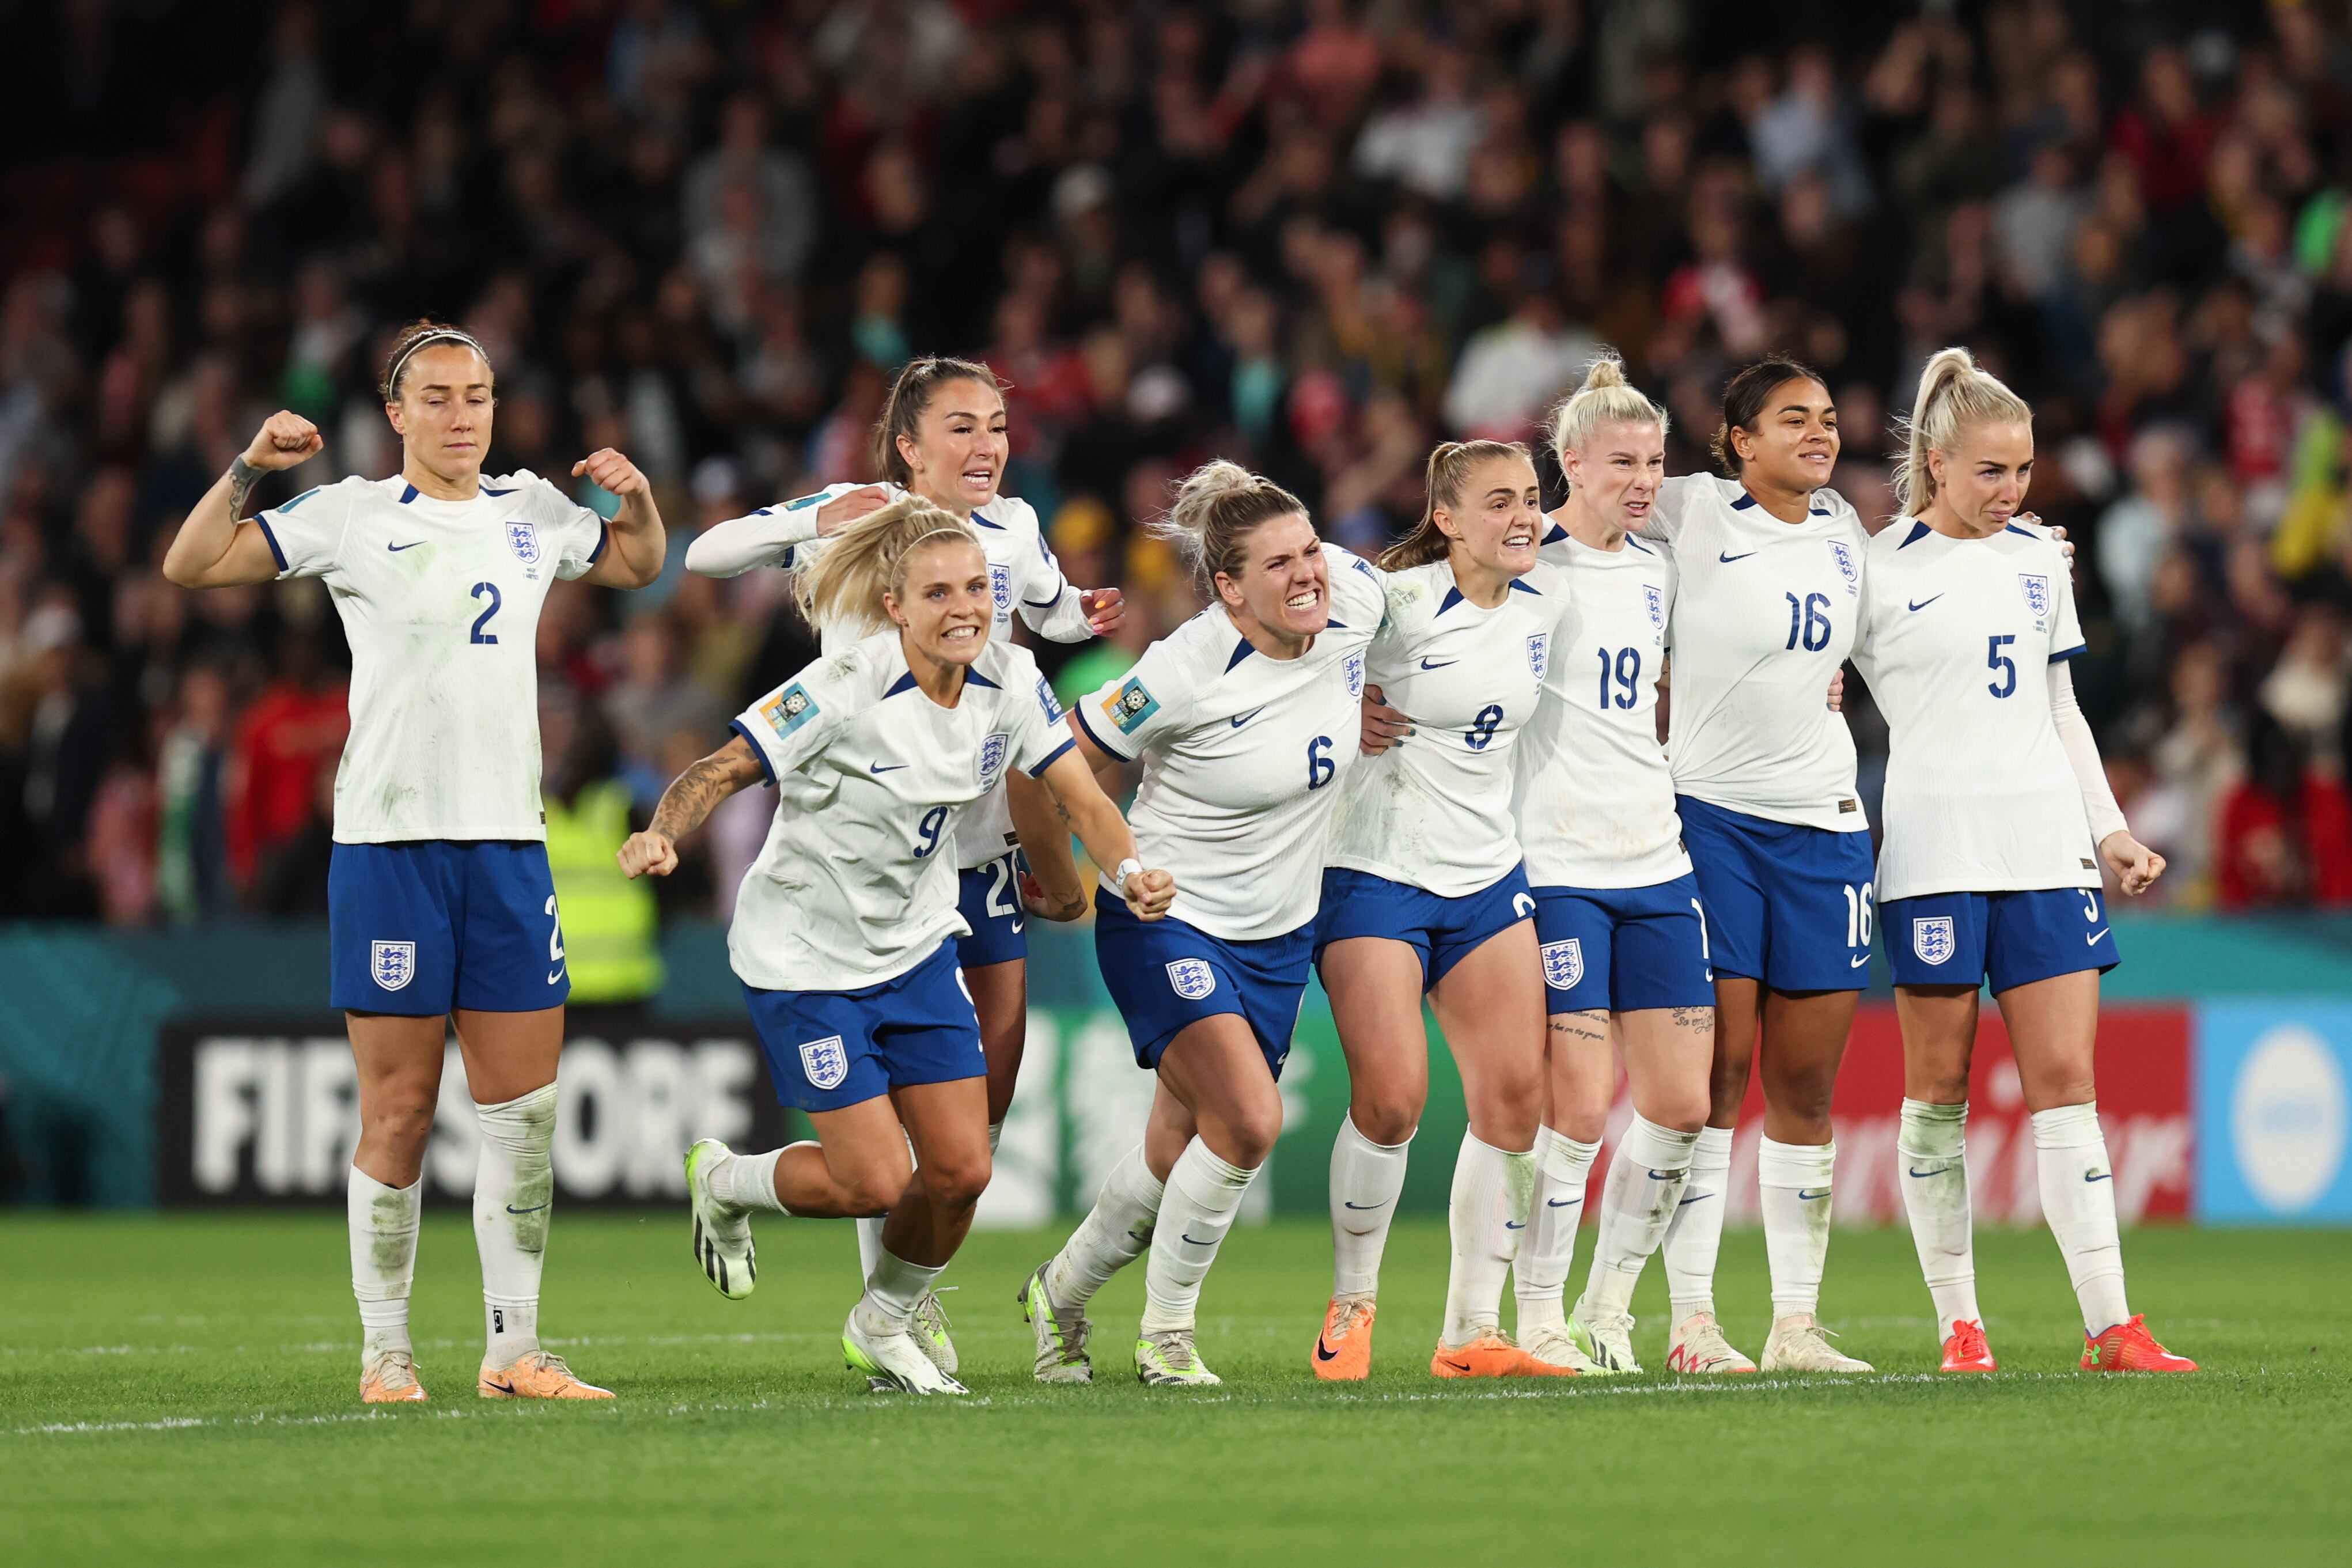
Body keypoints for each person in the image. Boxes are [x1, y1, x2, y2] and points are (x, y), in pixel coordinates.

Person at [160, 320, 668, 1404]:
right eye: (435, 397)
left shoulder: (531, 509)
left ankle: (512, 1349)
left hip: (508, 845)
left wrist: (639, 496)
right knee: (397, 1110)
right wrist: (252, 464)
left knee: (524, 1117)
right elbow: (191, 561)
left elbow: (635, 560)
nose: (461, 415)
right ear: (396, 415)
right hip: (389, 844)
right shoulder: (352, 514)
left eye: (476, 394)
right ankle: (386, 1352)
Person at [632, 498, 1172, 1396]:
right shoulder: (844, 683)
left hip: (916, 948)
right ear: (895, 606)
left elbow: (1081, 796)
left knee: (961, 1170)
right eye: (938, 593)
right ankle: (728, 1180)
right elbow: (720, 767)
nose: (965, 608)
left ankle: (882, 1321)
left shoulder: (1015, 677)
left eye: (976, 590)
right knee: (877, 1180)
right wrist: (663, 831)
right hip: (805, 957)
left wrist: (1130, 871)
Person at [1857, 349, 2193, 1374]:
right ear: (1938, 460)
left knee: (2066, 1086)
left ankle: (2111, 1325)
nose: (2012, 492)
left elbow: (2060, 708)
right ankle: (1961, 1325)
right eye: (1991, 471)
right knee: (1938, 1093)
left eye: (2024, 471)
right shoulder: (1876, 569)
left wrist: (2111, 829)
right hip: (1933, 852)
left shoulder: (2042, 561)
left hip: (2046, 846)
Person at [1018, 461, 1387, 1388]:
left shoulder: (1355, 603)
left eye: (1312, 551)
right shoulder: (1187, 665)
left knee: (1173, 1150)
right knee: (1251, 1121)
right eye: (1279, 564)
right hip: (1167, 919)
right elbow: (1047, 762)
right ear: (1229, 587)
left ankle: (1058, 1293)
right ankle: (1167, 1337)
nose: (1309, 575)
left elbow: (1444, 586)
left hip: (1279, 936)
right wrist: (1065, 878)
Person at [1636, 357, 1876, 1373]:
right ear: (1739, 439)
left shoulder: (1851, 531)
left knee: (1808, 1087)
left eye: (1827, 417)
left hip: (1827, 825)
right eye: (1793, 419)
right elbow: (1569, 518)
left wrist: (2039, 546)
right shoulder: (1688, 511)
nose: (1820, 433)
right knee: (1717, 1072)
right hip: (1712, 821)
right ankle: (1693, 1320)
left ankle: (1795, 1324)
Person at [1309, 440, 1564, 1382]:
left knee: (1515, 1100)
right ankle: (1353, 1306)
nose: (1523, 516)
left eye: (1532, 498)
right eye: (1498, 501)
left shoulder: (1552, 601)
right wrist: (1344, 702)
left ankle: (1469, 1330)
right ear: (1447, 518)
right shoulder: (1396, 598)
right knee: (1391, 1099)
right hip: (1375, 868)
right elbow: (1292, 635)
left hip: (1488, 877)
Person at [1506, 358, 1727, 1376]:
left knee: (1684, 1104)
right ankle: (1540, 1312)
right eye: (1623, 462)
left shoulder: (1660, 567)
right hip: (1555, 864)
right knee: (1582, 1105)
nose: (1644, 480)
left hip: (1656, 858)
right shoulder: (1519, 563)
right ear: (1571, 462)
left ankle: (1608, 1304)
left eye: (1656, 462)